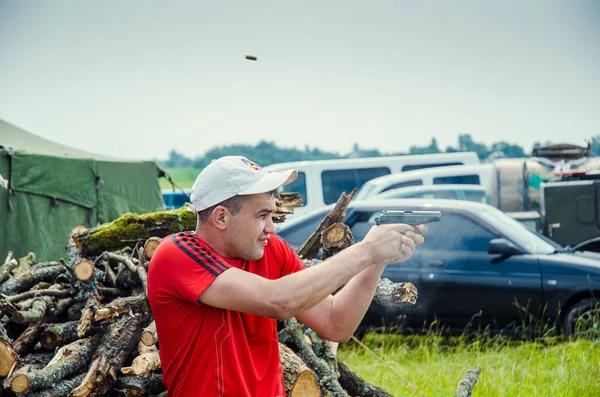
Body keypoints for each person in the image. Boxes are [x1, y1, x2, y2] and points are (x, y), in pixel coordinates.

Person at [147, 156, 427, 397]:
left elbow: (336, 323)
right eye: (262, 215)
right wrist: (367, 249)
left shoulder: (271, 251)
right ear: (221, 217)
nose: (272, 228)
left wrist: (377, 259)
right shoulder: (178, 255)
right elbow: (278, 300)